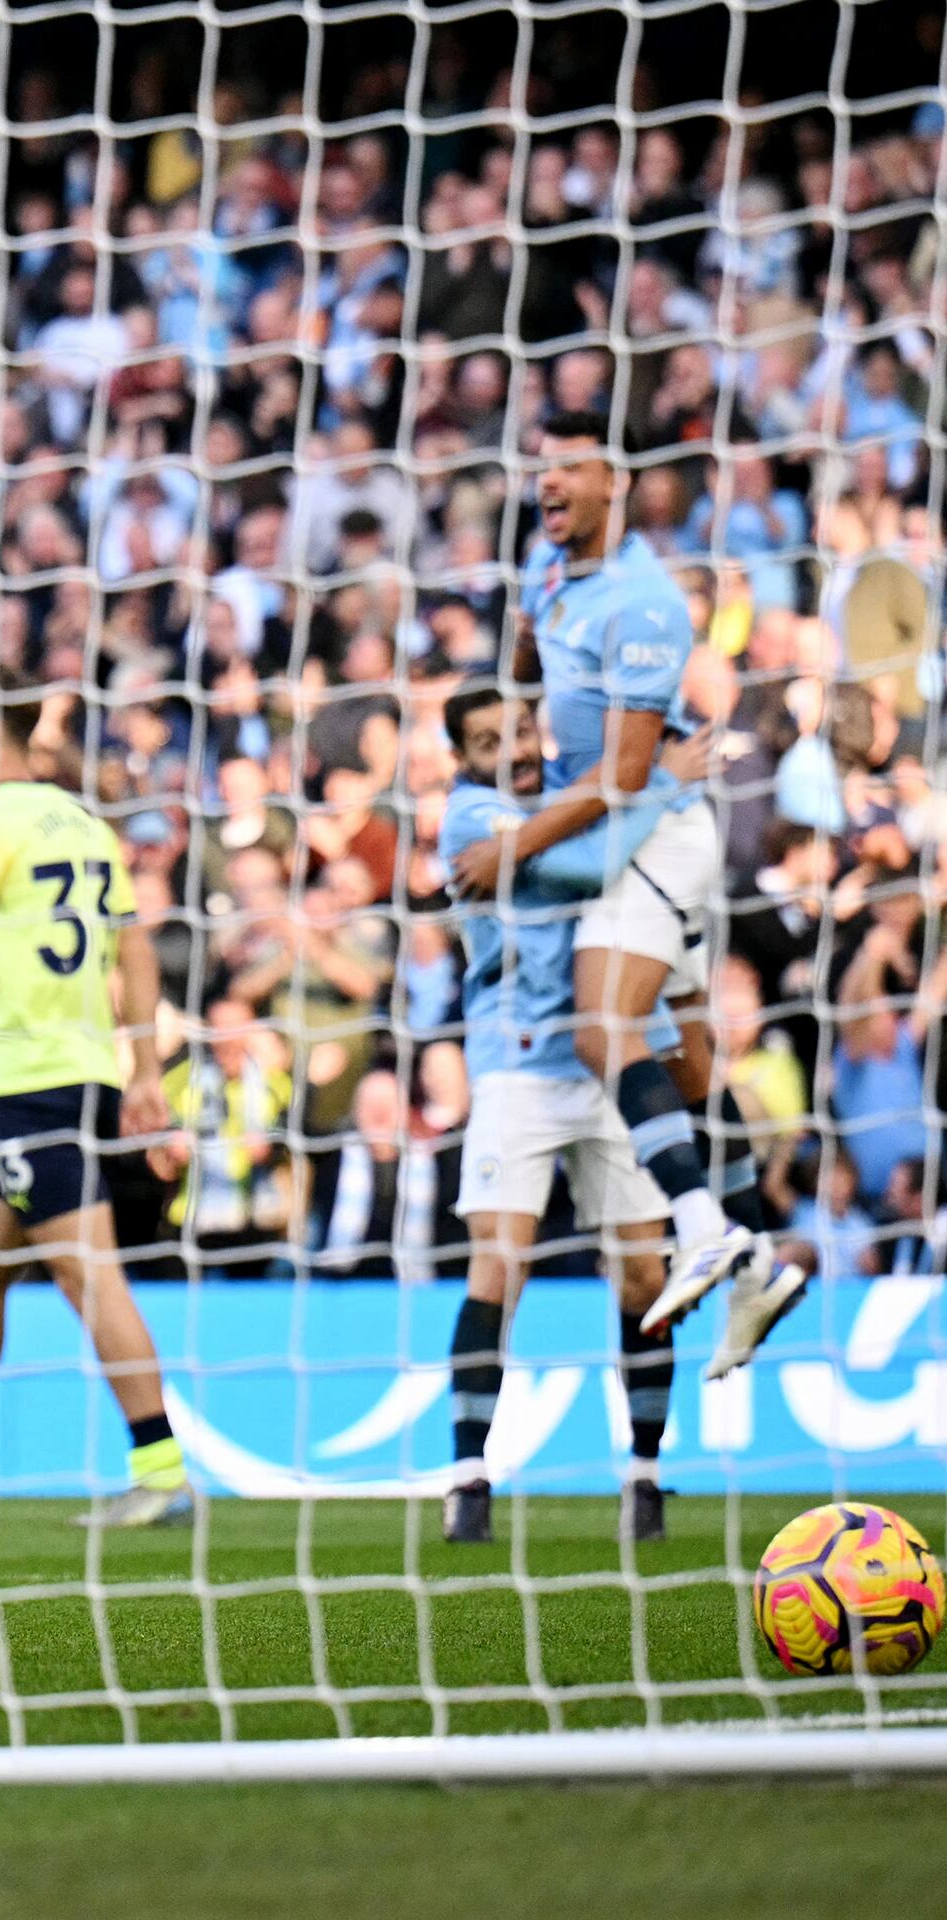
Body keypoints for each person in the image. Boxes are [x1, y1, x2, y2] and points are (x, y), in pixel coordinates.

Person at [449, 410, 781, 1340]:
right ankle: (757, 1255)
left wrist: (513, 844)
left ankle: (705, 1228)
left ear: (616, 481)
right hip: (617, 833)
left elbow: (627, 775)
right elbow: (528, 674)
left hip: (651, 830)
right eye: (540, 467)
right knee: (686, 1056)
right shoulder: (547, 573)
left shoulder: (645, 603)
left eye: (569, 466)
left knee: (604, 1027)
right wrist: (522, 665)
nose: (548, 483)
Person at [432, 684, 776, 1548]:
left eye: (519, 730)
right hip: (519, 1065)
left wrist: (647, 784)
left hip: (613, 1067)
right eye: (488, 742)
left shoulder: (573, 790)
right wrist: (659, 784)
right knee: (498, 1266)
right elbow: (580, 864)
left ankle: (646, 1475)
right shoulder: (470, 819)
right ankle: (468, 1479)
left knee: (643, 1280)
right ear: (461, 760)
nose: (513, 751)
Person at [0, 688, 187, 1530]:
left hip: (33, 1077)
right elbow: (134, 946)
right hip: (85, 1068)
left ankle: (162, 1470)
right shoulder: (83, 823)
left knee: (89, 1275)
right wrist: (144, 1067)